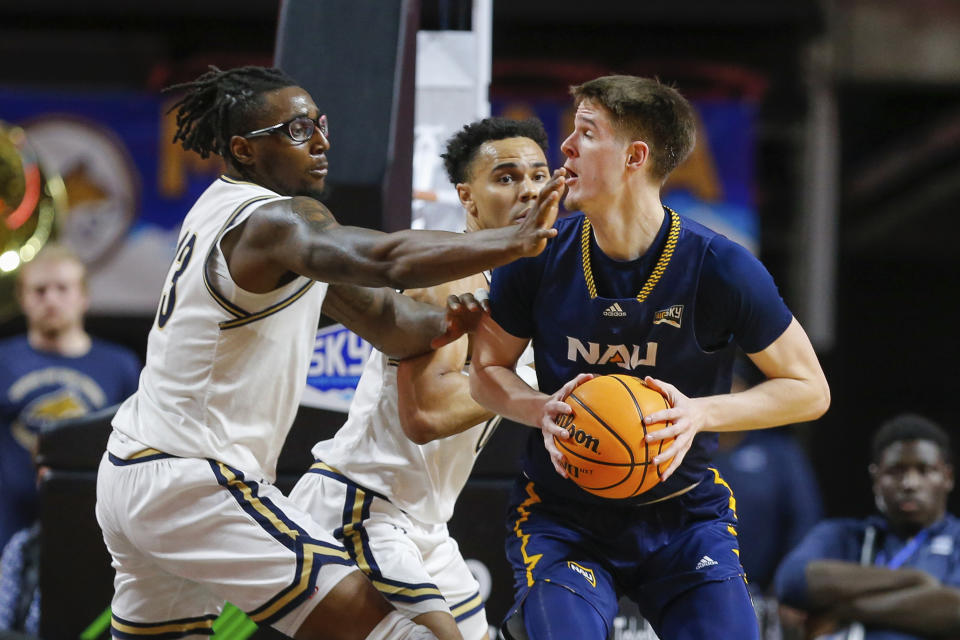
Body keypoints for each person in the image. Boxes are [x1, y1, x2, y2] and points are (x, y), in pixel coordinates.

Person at [93, 66, 565, 640]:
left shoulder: (254, 230)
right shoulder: (275, 220)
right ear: (244, 149)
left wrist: (452, 325)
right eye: (296, 131)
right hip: (197, 481)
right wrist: (512, 243)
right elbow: (387, 258)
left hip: (133, 472)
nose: (320, 142)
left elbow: (390, 321)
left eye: (320, 124)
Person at [467, 75, 830, 640]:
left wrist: (700, 413)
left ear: (634, 157)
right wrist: (538, 409)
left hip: (683, 514)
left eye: (585, 134)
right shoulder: (538, 255)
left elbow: (810, 389)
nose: (563, 149)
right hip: (565, 515)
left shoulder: (720, 267)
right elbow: (485, 371)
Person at [289, 117, 549, 640]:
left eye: (540, 176)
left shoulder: (528, 291)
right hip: (362, 503)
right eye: (506, 177)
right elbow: (426, 415)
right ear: (467, 198)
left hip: (424, 524)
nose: (528, 189)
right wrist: (536, 391)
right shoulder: (456, 279)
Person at [0, 244, 141, 637]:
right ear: (22, 299)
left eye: (62, 288)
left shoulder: (121, 365)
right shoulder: (2, 360)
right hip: (9, 526)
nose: (52, 299)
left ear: (83, 295)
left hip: (91, 529)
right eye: (40, 290)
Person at [775, 414, 960, 639]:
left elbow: (955, 611)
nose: (910, 483)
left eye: (924, 470)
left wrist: (845, 611)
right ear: (876, 478)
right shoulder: (842, 535)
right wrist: (917, 581)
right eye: (896, 471)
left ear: (947, 477)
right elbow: (791, 581)